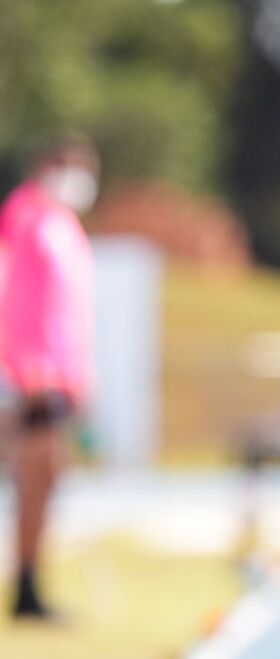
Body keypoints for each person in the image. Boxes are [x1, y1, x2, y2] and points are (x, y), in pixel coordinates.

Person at [0, 136, 98, 618]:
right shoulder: (26, 216)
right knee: (32, 473)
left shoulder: (65, 225)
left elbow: (71, 311)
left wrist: (81, 374)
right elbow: (13, 295)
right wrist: (25, 362)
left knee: (48, 476)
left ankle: (30, 581)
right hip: (34, 374)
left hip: (61, 376)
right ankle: (25, 585)